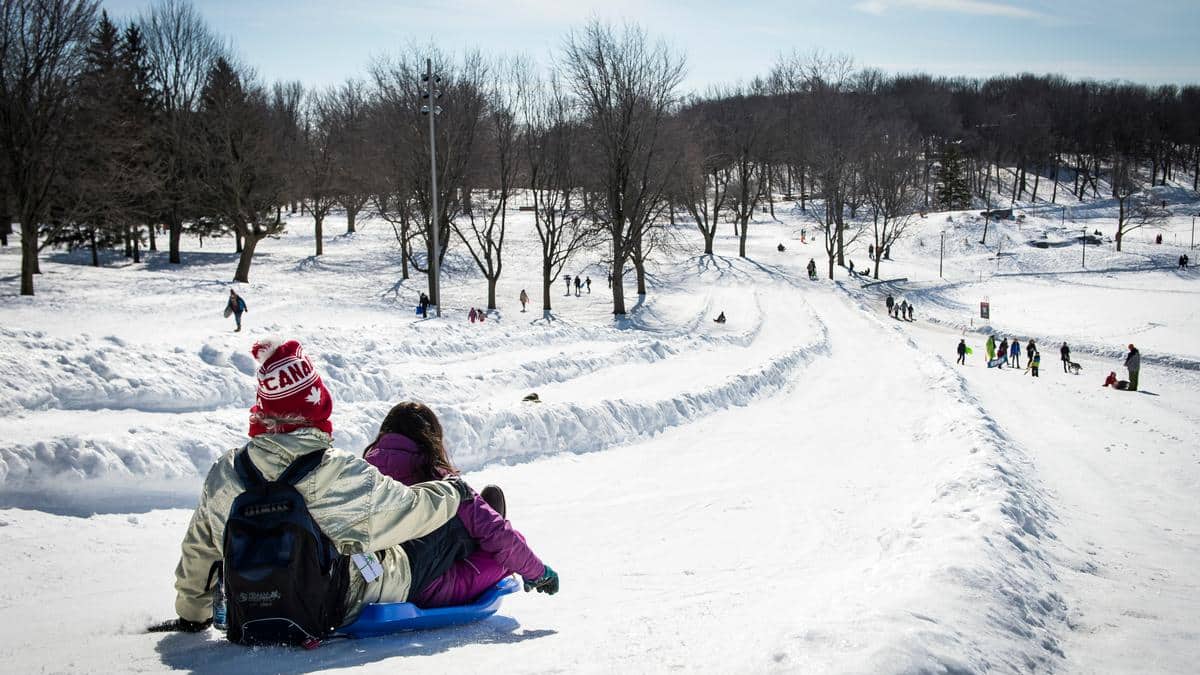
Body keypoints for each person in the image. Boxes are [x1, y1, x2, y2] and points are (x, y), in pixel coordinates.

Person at [150, 338, 471, 637]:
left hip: (246, 612)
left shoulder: (226, 471)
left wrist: (193, 614)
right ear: (316, 405)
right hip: (339, 607)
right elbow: (410, 511)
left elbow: (200, 548)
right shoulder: (334, 471)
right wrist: (453, 491)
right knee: (447, 529)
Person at [363, 402, 559, 608]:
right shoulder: (438, 479)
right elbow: (498, 534)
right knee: (503, 542)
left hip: (374, 582)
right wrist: (538, 573)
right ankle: (483, 526)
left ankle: (479, 525)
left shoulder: (364, 473)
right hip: (427, 588)